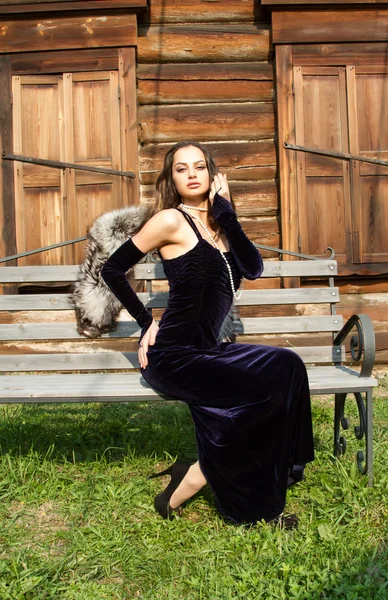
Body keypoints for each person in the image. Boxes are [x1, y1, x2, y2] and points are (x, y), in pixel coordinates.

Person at [101, 141, 314, 528]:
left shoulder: (218, 225)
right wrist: (146, 320)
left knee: (288, 364)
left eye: (200, 166)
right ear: (172, 179)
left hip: (209, 350)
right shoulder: (170, 221)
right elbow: (112, 270)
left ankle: (280, 470)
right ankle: (213, 489)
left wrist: (227, 213)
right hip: (174, 356)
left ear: (213, 175)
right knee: (256, 397)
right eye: (182, 169)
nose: (192, 174)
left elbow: (253, 269)